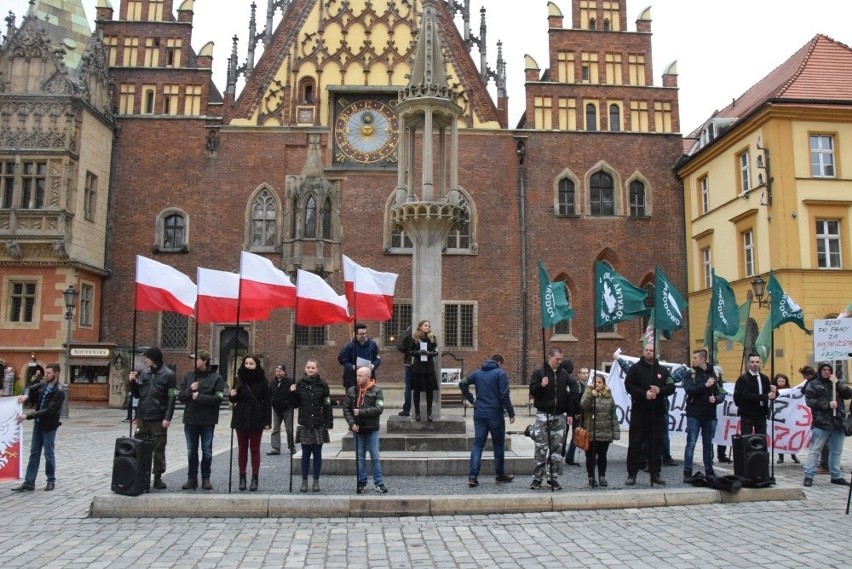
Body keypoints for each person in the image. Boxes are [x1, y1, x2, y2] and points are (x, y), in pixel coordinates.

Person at [459, 354, 516, 487]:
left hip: (479, 413)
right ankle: (500, 474)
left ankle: (472, 477)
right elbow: (504, 394)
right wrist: (511, 412)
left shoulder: (477, 373)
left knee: (478, 444)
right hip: (495, 413)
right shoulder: (500, 373)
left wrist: (471, 399)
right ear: (499, 363)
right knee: (498, 444)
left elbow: (462, 383)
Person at [624, 343, 675, 486]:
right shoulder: (635, 369)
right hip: (640, 412)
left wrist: (660, 391)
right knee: (635, 443)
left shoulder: (663, 370)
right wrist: (643, 394)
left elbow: (671, 387)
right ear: (643, 352)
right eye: (646, 350)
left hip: (657, 412)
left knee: (655, 444)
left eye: (651, 350)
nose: (648, 352)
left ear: (655, 352)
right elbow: (629, 385)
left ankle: (655, 473)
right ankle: (632, 474)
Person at [528, 347, 578, 490]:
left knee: (557, 449)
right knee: (541, 447)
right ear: (550, 357)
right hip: (544, 413)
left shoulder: (564, 374)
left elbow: (571, 393)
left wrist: (570, 413)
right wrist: (541, 386)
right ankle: (537, 478)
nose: (559, 361)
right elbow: (533, 391)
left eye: (561, 359)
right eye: (557, 359)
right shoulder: (539, 372)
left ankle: (552, 477)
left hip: (559, 415)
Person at [11, 362, 64, 492]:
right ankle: (29, 482)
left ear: (56, 374)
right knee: (34, 453)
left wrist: (27, 416)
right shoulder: (44, 384)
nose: (46, 375)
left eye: (49, 373)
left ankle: (51, 480)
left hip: (49, 427)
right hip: (38, 425)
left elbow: (49, 410)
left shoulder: (59, 391)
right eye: (46, 372)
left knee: (48, 454)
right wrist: (26, 395)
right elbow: (30, 388)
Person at [177, 350, 225, 490]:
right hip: (190, 419)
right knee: (191, 451)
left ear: (204, 360)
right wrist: (189, 390)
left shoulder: (216, 378)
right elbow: (180, 397)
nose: (194, 362)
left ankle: (206, 478)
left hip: (207, 421)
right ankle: (191, 478)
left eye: (196, 359)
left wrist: (200, 397)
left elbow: (218, 398)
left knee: (207, 451)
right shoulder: (188, 377)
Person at [130, 346, 176, 490]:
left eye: (147, 357)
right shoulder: (144, 373)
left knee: (158, 449)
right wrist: (132, 382)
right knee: (139, 447)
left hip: (158, 418)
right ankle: (141, 476)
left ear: (154, 358)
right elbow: (138, 395)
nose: (145, 360)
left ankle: (157, 478)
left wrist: (167, 418)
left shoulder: (169, 374)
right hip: (143, 417)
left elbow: (171, 398)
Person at [802, 362, 852, 487]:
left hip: (838, 422)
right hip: (821, 422)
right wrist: (827, 404)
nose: (826, 372)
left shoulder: (836, 382)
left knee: (836, 451)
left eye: (829, 370)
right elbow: (809, 401)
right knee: (815, 450)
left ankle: (836, 475)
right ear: (820, 371)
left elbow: (849, 394)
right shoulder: (813, 384)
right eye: (824, 369)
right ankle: (809, 475)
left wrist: (837, 383)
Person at [290, 359, 334, 492]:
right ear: (305, 369)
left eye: (313, 368)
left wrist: (329, 422)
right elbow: (295, 404)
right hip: (305, 423)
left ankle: (316, 480)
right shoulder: (299, 385)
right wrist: (292, 393)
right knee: (305, 454)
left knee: (317, 454)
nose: (310, 369)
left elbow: (327, 404)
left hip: (318, 423)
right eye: (308, 367)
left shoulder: (323, 385)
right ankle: (304, 481)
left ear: (317, 369)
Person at [682, 349, 725, 482]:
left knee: (708, 444)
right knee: (691, 443)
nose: (693, 360)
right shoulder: (690, 373)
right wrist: (705, 386)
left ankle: (709, 470)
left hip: (709, 414)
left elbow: (722, 393)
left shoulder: (715, 374)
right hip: (694, 413)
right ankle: (687, 471)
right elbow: (689, 390)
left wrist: (717, 399)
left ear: (702, 359)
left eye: (695, 358)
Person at [229, 355, 271, 492]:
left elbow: (267, 402)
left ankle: (255, 478)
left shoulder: (263, 381)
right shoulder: (239, 378)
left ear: (256, 365)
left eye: (251, 363)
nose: (248, 366)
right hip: (241, 415)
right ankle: (242, 478)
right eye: (246, 363)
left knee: (254, 449)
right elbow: (234, 400)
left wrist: (267, 421)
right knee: (242, 449)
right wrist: (233, 394)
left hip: (256, 416)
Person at [343, 366, 387, 493]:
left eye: (360, 376)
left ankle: (379, 482)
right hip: (357, 429)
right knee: (360, 457)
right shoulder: (352, 391)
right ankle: (361, 482)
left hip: (372, 428)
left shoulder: (377, 391)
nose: (357, 378)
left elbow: (379, 409)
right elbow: (346, 409)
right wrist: (351, 423)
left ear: (368, 377)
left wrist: (361, 412)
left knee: (375, 457)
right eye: (357, 375)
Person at [580, 371, 620, 487]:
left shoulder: (608, 396)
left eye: (599, 382)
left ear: (603, 384)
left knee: (602, 456)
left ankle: (602, 476)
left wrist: (615, 432)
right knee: (590, 456)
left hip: (605, 431)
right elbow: (583, 405)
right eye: (595, 382)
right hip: (591, 431)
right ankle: (591, 477)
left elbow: (613, 415)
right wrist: (591, 396)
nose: (597, 384)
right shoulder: (588, 394)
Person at [734, 353, 776, 435]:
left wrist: (774, 392)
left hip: (761, 412)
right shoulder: (743, 379)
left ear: (760, 363)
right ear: (748, 363)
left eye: (757, 362)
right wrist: (766, 396)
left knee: (761, 438)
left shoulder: (764, 378)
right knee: (746, 437)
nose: (755, 364)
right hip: (747, 413)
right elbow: (746, 396)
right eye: (752, 362)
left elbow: (770, 394)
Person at [799, 365, 829, 472]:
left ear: (808, 375)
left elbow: (803, 391)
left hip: (821, 416)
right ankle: (828, 463)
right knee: (827, 441)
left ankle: (825, 465)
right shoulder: (817, 380)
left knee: (821, 441)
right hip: (823, 415)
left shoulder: (813, 381)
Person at [408, 320, 439, 422]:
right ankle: (417, 412)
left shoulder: (432, 338)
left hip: (428, 367)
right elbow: (410, 351)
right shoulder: (415, 338)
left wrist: (429, 353)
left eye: (428, 326)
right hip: (418, 368)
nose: (427, 327)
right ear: (420, 327)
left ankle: (429, 413)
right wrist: (418, 352)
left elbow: (436, 351)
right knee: (416, 391)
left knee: (429, 391)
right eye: (425, 325)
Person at [338, 322, 381, 391]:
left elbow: (377, 359)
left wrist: (373, 365)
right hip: (352, 380)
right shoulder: (349, 346)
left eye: (365, 333)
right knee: (352, 400)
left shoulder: (372, 344)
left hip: (368, 380)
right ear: (356, 334)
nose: (364, 336)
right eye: (361, 334)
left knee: (368, 401)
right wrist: (353, 367)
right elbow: (342, 360)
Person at [268, 363, 296, 455]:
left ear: (284, 371)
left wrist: (292, 393)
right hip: (276, 408)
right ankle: (275, 448)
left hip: (287, 408)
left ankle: (292, 447)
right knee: (275, 429)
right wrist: (272, 402)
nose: (278, 373)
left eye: (280, 371)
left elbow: (294, 395)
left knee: (289, 429)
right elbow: (270, 393)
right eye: (277, 371)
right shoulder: (272, 382)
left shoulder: (290, 381)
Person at [772, 373, 798, 464]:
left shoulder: (790, 390)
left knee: (791, 436)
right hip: (778, 417)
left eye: (783, 381)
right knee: (780, 436)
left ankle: (793, 455)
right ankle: (781, 456)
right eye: (779, 381)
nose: (781, 383)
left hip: (789, 416)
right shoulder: (773, 391)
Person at [560, 360, 582, 467]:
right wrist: (578, 411)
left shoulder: (560, 380)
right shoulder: (573, 381)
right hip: (573, 412)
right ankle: (569, 456)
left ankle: (561, 454)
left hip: (563, 411)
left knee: (563, 434)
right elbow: (576, 398)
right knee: (575, 434)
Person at [396, 324, 414, 417]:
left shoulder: (409, 330)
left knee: (408, 387)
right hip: (419, 363)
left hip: (409, 363)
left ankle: (407, 409)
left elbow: (400, 346)